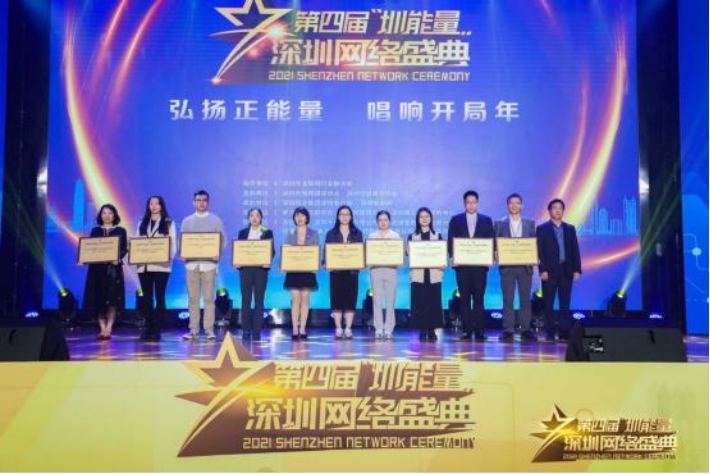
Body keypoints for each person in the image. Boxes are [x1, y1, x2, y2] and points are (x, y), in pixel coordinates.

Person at [447, 190, 495, 341]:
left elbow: (491, 240)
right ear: (464, 203)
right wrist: (453, 256)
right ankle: (467, 331)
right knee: (465, 300)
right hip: (462, 268)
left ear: (477, 203)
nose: (471, 205)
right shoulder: (456, 219)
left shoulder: (486, 220)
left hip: (480, 268)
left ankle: (480, 332)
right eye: (468, 202)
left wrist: (491, 255)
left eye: (474, 202)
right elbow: (451, 240)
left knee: (479, 300)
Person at [180, 190, 226, 341]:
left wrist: (218, 253)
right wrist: (182, 253)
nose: (201, 203)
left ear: (208, 202)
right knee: (193, 298)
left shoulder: (216, 220)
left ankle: (209, 330)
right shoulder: (187, 221)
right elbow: (182, 241)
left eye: (204, 200)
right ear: (194, 202)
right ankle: (193, 330)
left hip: (209, 265)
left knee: (209, 298)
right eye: (198, 200)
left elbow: (222, 240)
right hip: (191, 265)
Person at [536, 198, 582, 341]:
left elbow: (575, 249)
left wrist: (577, 269)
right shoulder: (542, 229)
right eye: (554, 208)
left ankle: (564, 332)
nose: (557, 210)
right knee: (548, 303)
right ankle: (549, 332)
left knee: (565, 303)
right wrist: (542, 270)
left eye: (560, 208)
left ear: (563, 211)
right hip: (549, 272)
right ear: (549, 211)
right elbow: (539, 252)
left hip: (566, 270)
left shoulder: (570, 229)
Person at [494, 193, 537, 342]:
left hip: (525, 267)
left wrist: (534, 257)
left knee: (525, 299)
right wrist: (495, 253)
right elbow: (495, 244)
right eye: (511, 203)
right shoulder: (499, 224)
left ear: (521, 206)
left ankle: (526, 329)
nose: (514, 205)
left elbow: (533, 244)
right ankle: (508, 330)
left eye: (517, 203)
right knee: (508, 300)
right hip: (507, 267)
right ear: (507, 205)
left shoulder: (530, 224)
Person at [83, 204, 128, 341]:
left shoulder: (121, 230)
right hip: (97, 270)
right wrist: (84, 259)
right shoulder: (95, 230)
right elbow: (90, 248)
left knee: (112, 299)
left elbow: (124, 248)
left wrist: (118, 258)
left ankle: (109, 328)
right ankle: (102, 328)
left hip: (113, 269)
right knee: (98, 298)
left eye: (110, 213)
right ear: (100, 215)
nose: (107, 216)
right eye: (104, 213)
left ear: (114, 215)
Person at [135, 195, 177, 341]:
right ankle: (148, 327)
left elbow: (172, 243)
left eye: (157, 203)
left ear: (161, 206)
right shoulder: (142, 223)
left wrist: (168, 258)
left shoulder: (168, 222)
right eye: (151, 203)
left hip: (161, 266)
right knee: (147, 298)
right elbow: (137, 243)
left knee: (160, 297)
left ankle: (157, 328)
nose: (154, 206)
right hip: (144, 266)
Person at [325, 205, 363, 339]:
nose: (344, 217)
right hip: (335, 272)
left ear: (351, 217)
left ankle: (348, 328)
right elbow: (327, 252)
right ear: (338, 216)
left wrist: (361, 262)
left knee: (350, 300)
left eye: (347, 214)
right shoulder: (331, 233)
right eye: (342, 214)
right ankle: (338, 328)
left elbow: (360, 252)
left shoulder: (357, 233)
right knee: (336, 300)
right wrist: (327, 263)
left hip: (352, 272)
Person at [236, 208, 274, 341]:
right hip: (245, 270)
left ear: (261, 218)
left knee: (259, 300)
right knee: (245, 300)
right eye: (252, 215)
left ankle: (257, 330)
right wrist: (237, 261)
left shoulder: (267, 232)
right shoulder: (242, 233)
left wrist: (268, 260)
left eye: (257, 216)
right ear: (248, 218)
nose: (254, 218)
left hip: (260, 270)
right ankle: (246, 330)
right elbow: (238, 250)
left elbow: (272, 250)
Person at [408, 207, 444, 341]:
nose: (424, 219)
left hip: (434, 274)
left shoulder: (438, 236)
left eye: (427, 216)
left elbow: (442, 255)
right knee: (419, 303)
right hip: (418, 274)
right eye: (421, 216)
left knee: (434, 303)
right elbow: (409, 255)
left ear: (431, 219)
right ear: (418, 219)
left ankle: (432, 330)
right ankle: (422, 330)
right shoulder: (412, 236)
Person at [284, 207, 319, 340]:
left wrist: (315, 266)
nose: (299, 218)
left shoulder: (314, 233)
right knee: (295, 298)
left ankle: (303, 328)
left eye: (302, 215)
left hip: (308, 271)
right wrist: (284, 266)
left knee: (305, 298)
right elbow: (287, 251)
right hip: (293, 271)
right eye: (297, 215)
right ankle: (294, 329)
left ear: (306, 217)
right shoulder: (290, 233)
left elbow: (317, 250)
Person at [368, 210, 401, 340]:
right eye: (380, 220)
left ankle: (388, 329)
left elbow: (398, 254)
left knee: (390, 301)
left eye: (385, 220)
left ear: (389, 221)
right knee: (376, 300)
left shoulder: (395, 236)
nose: (383, 222)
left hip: (391, 270)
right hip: (375, 270)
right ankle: (378, 328)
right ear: (377, 222)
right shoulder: (372, 236)